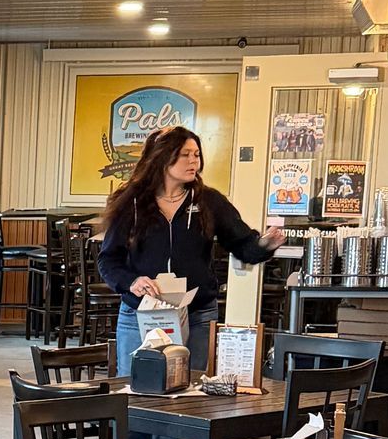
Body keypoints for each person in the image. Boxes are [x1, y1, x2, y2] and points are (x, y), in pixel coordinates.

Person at [97, 126, 285, 367]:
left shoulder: (210, 201)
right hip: (140, 314)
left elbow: (243, 246)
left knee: (193, 394)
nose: (193, 161)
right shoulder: (131, 202)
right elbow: (109, 260)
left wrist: (264, 245)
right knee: (136, 388)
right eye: (185, 154)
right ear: (162, 157)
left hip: (197, 316)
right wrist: (132, 282)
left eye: (196, 154)